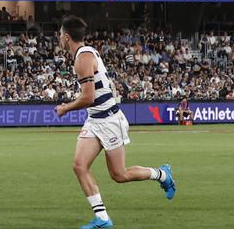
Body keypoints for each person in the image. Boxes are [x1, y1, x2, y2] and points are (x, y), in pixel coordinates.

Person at [55, 16, 176, 229]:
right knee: (79, 165)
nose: (58, 39)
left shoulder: (82, 58)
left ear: (66, 37)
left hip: (109, 120)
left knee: (119, 175)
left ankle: (162, 174)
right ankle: (102, 218)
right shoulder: (86, 53)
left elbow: (89, 97)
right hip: (96, 119)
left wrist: (65, 108)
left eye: (59, 35)